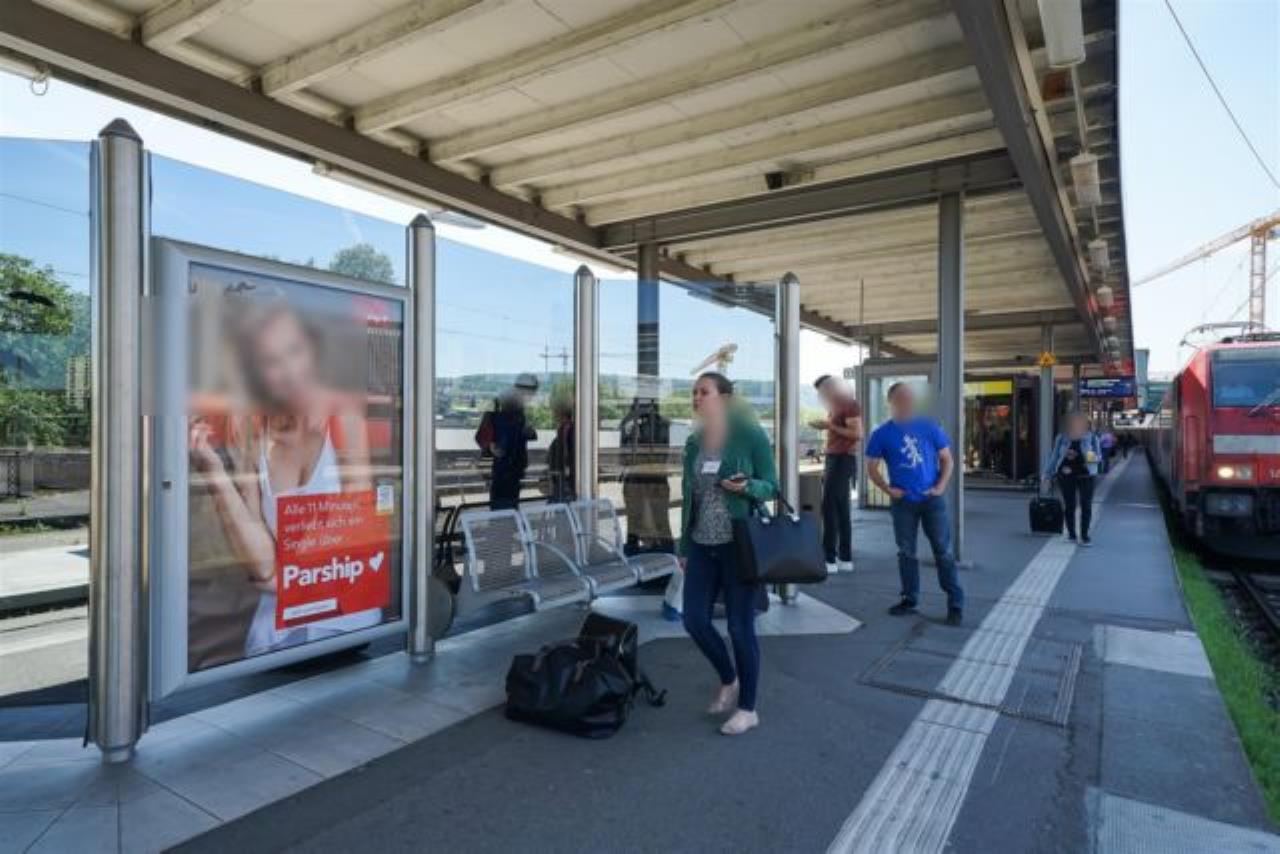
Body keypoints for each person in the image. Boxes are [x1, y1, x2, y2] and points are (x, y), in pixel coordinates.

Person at [188, 289, 382, 656]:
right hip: (274, 639)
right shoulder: (252, 432)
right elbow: (261, 567)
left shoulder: (344, 420)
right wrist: (214, 471)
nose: (291, 372)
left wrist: (285, 578)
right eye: (271, 361)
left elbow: (355, 549)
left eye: (294, 351)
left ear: (311, 348)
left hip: (345, 628)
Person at [678, 372, 777, 736]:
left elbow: (772, 486)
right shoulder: (694, 442)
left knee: (739, 626)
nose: (696, 397)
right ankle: (728, 678)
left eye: (703, 391)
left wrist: (747, 486)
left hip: (739, 545)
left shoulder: (749, 435)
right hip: (701, 545)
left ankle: (748, 708)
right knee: (694, 620)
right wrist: (683, 547)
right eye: (694, 392)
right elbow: (689, 497)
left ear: (724, 397)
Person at [864, 382, 965, 626]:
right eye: (901, 397)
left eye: (910, 397)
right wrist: (887, 489)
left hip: (932, 501)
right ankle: (909, 599)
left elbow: (947, 460)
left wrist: (940, 487)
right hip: (903, 503)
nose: (907, 402)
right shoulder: (881, 434)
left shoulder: (928, 426)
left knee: (943, 551)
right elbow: (872, 467)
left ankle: (955, 603)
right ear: (891, 401)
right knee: (906, 552)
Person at [810, 375, 863, 574]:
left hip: (842, 459)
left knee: (829, 507)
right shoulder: (835, 406)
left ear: (830, 387)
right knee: (841, 509)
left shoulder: (849, 404)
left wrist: (829, 426)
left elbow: (857, 434)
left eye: (822, 391)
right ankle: (845, 558)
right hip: (835, 458)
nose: (821, 395)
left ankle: (829, 558)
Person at [478, 373, 538, 510]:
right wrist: (491, 446)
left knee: (507, 509)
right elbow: (483, 435)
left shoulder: (518, 410)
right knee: (503, 508)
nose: (530, 397)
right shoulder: (500, 406)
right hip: (502, 469)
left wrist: (527, 432)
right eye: (530, 393)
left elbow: (518, 434)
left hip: (511, 470)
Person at [1043, 411, 1102, 545]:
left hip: (1086, 475)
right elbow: (1054, 457)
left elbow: (1099, 457)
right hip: (1066, 475)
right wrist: (1047, 474)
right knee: (1070, 505)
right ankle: (1071, 535)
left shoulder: (1092, 437)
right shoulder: (1061, 438)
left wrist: (1087, 456)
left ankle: (1085, 536)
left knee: (1086, 505)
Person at [545, 395, 575, 504]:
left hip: (564, 476)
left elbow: (565, 453)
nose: (553, 414)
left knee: (561, 503)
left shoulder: (567, 429)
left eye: (555, 412)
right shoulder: (566, 428)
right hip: (562, 475)